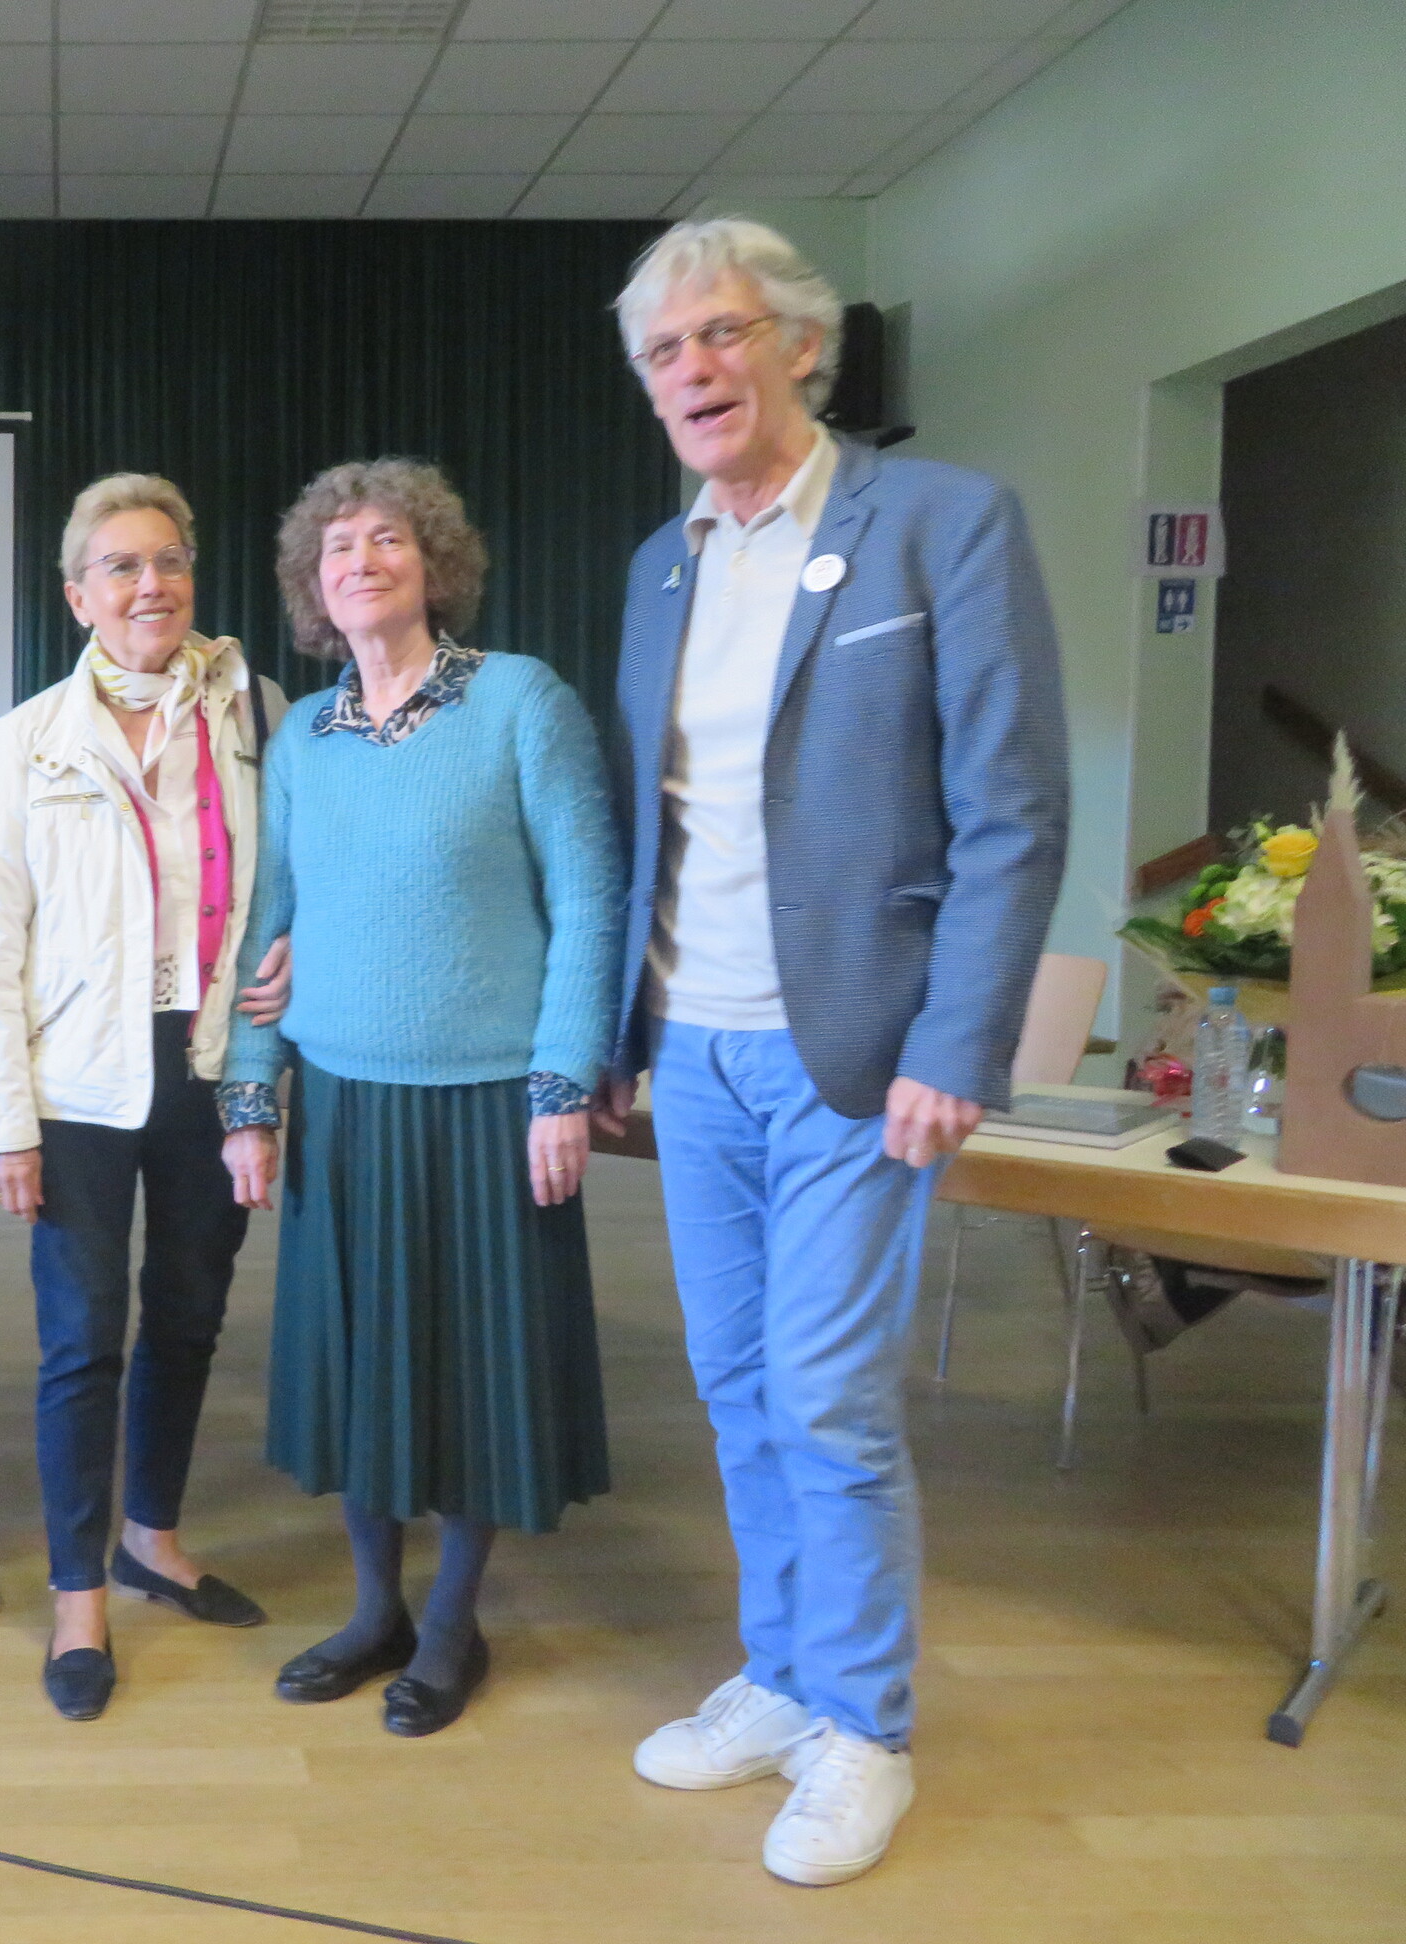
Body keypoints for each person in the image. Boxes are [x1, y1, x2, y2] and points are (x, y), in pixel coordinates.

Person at [596, 219, 1067, 1886]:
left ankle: (864, 1723)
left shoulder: (940, 523)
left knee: (825, 1394)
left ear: (803, 346)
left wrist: (959, 1038)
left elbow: (1012, 810)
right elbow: (657, 823)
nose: (693, 371)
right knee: (734, 1386)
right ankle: (785, 1673)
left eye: (721, 334)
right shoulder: (660, 566)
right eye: (663, 352)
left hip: (857, 1051)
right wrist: (622, 1034)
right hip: (693, 1049)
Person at [222, 459, 623, 1740]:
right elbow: (270, 919)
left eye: (386, 537)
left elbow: (591, 900)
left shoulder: (520, 701)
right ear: (313, 584)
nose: (361, 560)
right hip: (342, 1105)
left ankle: (453, 1623)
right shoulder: (304, 736)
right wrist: (250, 1092)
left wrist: (563, 1080)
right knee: (358, 1371)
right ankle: (372, 1612)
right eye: (337, 546)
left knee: (471, 1377)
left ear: (435, 562)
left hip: (490, 1103)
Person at [0, 473, 290, 1721]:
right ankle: (77, 1595)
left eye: (168, 562)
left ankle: (152, 1537)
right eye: (122, 566)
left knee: (191, 1316)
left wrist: (295, 957)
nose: (151, 585)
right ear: (77, 596)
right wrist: (5, 1124)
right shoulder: (29, 737)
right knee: (81, 1337)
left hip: (208, 1063)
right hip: (78, 1082)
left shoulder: (257, 711)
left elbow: (290, 881)